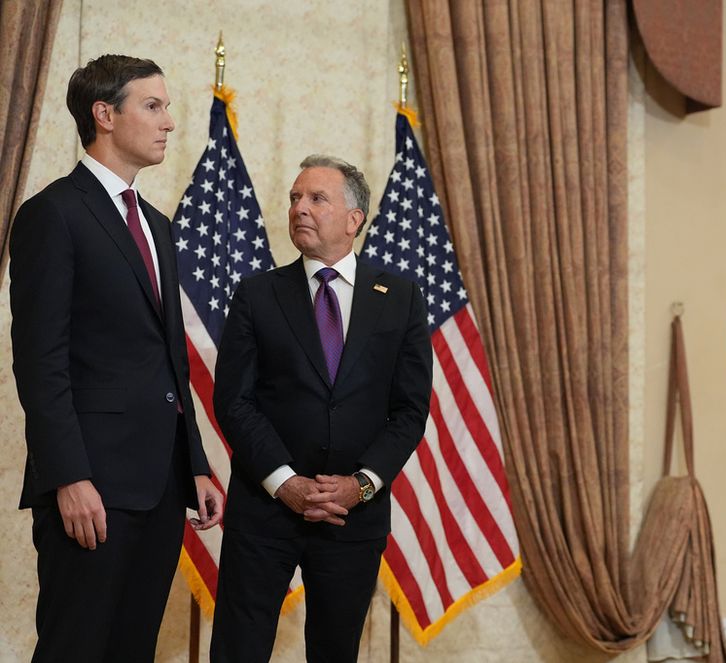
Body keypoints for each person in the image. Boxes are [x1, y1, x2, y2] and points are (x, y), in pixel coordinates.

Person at [8, 54, 223, 663]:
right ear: (104, 114)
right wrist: (68, 477)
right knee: (76, 649)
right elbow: (39, 362)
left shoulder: (157, 225)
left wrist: (197, 465)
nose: (169, 123)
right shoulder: (53, 215)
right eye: (153, 106)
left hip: (159, 485)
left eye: (167, 108)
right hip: (90, 488)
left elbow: (170, 360)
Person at [210, 155, 432, 662]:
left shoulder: (400, 298)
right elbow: (235, 401)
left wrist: (363, 484)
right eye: (294, 198)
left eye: (316, 198)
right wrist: (284, 482)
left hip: (352, 517)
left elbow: (410, 411)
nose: (299, 209)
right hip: (264, 511)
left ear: (355, 219)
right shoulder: (256, 294)